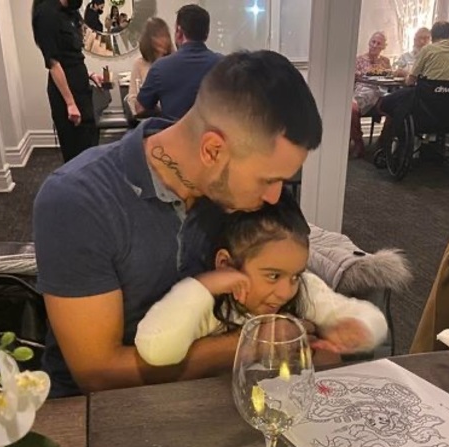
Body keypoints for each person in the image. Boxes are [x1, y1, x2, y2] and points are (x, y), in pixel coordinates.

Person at [33, 50, 322, 397]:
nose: (276, 197)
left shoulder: (242, 197)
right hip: (104, 408)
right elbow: (98, 373)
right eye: (268, 180)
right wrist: (253, 343)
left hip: (221, 389)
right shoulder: (78, 200)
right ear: (212, 150)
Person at [136, 195, 388, 366]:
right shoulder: (207, 306)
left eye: (295, 275)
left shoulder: (305, 289)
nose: (286, 292)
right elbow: (155, 350)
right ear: (225, 264)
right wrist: (203, 287)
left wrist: (358, 327)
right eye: (273, 276)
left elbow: (364, 315)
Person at [32, 0, 102, 163]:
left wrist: (89, 74)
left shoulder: (70, 12)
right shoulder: (46, 14)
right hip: (66, 93)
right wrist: (70, 103)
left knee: (89, 143)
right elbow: (53, 63)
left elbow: (72, 56)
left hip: (81, 87)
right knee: (76, 151)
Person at [379, 21, 449, 136]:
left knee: (391, 102)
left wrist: (405, 75)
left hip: (426, 107)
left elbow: (410, 81)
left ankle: (390, 138)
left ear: (432, 36)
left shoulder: (427, 50)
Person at [135, 4, 222, 120]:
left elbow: (140, 108)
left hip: (173, 130)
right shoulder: (223, 66)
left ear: (179, 32)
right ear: (206, 34)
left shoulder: (160, 68)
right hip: (212, 131)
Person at [350, 31, 392, 158]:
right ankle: (358, 142)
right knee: (351, 109)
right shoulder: (359, 60)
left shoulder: (385, 61)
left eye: (379, 43)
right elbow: (353, 77)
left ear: (383, 47)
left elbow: (389, 75)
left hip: (381, 93)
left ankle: (384, 141)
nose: (375, 45)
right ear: (369, 43)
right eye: (373, 42)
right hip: (363, 92)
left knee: (396, 106)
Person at [125, 17, 173, 113]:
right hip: (148, 116)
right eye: (159, 36)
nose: (164, 40)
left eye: (165, 36)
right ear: (149, 40)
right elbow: (132, 98)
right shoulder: (139, 64)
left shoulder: (174, 61)